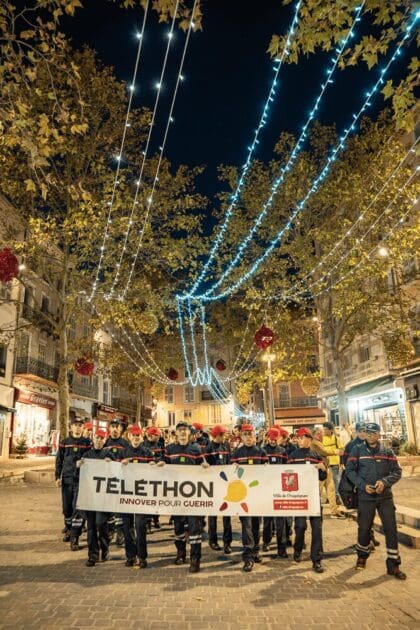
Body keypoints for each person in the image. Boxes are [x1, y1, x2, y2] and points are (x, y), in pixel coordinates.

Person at [345, 422, 406, 580]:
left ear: (379, 435)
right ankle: (362, 556)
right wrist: (362, 485)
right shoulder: (357, 450)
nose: (369, 435)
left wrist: (384, 482)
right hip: (366, 497)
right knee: (364, 528)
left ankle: (393, 564)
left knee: (391, 529)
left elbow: (397, 471)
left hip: (385, 497)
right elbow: (349, 470)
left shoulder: (387, 451)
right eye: (367, 433)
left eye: (373, 433)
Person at [164, 421, 209, 573]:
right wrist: (158, 464)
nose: (183, 432)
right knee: (178, 528)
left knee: (195, 529)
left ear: (189, 433)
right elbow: (163, 466)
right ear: (176, 433)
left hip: (193, 496)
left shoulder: (196, 449)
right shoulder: (170, 449)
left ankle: (195, 560)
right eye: (180, 430)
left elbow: (203, 466)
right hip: (176, 497)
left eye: (185, 430)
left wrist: (204, 466)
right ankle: (181, 553)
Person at [121, 424, 162, 568]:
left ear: (141, 437)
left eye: (138, 435)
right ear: (129, 436)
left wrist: (154, 464)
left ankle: (142, 557)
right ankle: (130, 556)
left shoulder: (147, 452)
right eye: (133, 435)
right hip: (126, 494)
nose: (136, 438)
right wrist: (119, 464)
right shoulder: (123, 452)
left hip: (141, 495)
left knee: (140, 527)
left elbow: (155, 469)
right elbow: (113, 469)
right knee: (127, 527)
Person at [288, 427, 327, 574]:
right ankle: (297, 549)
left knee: (317, 528)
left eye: (302, 437)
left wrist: (323, 469)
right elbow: (286, 476)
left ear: (309, 439)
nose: (299, 440)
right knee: (300, 526)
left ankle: (317, 559)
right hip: (299, 497)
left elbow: (322, 477)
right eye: (298, 438)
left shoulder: (316, 456)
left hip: (313, 497)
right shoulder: (292, 456)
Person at [231, 423, 268, 572]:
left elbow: (268, 473)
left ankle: (256, 551)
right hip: (243, 496)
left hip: (257, 495)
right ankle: (247, 557)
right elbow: (231, 473)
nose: (248, 437)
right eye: (245, 435)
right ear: (241, 436)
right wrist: (233, 468)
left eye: (250, 434)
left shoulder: (261, 452)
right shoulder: (237, 453)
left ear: (255, 436)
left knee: (256, 525)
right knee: (246, 526)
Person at [77, 428, 113, 567]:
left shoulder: (108, 455)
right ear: (93, 439)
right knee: (91, 526)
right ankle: (92, 555)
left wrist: (111, 464)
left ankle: (105, 548)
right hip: (89, 496)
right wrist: (78, 466)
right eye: (97, 438)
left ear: (105, 441)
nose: (99, 440)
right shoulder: (87, 455)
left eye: (101, 438)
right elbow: (79, 474)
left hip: (102, 496)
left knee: (101, 524)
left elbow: (116, 472)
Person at [55, 417, 91, 550]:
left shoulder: (87, 443)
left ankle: (75, 537)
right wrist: (57, 476)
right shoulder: (65, 442)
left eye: (80, 425)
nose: (77, 427)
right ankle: (69, 529)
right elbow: (59, 460)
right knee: (67, 508)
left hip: (81, 480)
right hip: (67, 479)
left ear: (83, 428)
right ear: (71, 427)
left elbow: (92, 459)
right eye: (75, 425)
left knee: (77, 509)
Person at [205, 424, 232, 554]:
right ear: (217, 435)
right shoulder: (209, 448)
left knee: (227, 515)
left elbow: (229, 461)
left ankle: (227, 542)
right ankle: (213, 540)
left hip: (226, 484)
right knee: (213, 515)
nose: (225, 437)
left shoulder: (226, 446)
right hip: (214, 485)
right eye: (223, 434)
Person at [262, 427, 288, 558]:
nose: (273, 441)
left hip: (279, 488)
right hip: (267, 488)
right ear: (268, 438)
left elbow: (287, 467)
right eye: (271, 439)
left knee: (280, 519)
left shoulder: (282, 451)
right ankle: (266, 541)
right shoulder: (262, 451)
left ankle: (281, 547)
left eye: (275, 439)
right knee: (267, 519)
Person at [104, 418, 129, 546]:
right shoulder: (104, 442)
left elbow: (130, 459)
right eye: (112, 426)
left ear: (121, 429)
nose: (114, 429)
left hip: (121, 479)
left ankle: (120, 533)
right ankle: (110, 530)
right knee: (109, 507)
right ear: (109, 429)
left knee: (119, 507)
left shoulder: (125, 443)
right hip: (107, 480)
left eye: (117, 427)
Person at [143, 426, 165, 530]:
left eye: (158, 435)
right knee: (148, 500)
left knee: (157, 499)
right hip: (146, 476)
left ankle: (156, 519)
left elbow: (164, 457)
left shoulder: (160, 445)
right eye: (156, 435)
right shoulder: (143, 445)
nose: (157, 437)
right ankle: (148, 522)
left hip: (158, 475)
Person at [321, 422, 344, 501]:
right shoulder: (321, 439)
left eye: (326, 429)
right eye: (324, 429)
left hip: (334, 463)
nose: (324, 431)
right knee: (326, 482)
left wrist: (341, 462)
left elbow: (341, 451)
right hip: (325, 464)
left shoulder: (336, 438)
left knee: (335, 481)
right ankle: (330, 497)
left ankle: (336, 497)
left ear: (331, 430)